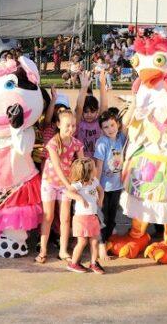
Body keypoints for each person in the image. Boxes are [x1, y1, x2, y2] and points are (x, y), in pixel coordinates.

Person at [36, 109, 84, 263]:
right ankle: (43, 250)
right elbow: (56, 166)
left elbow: (80, 164)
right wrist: (68, 185)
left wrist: (81, 182)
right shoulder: (53, 143)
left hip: (66, 185)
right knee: (48, 216)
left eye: (73, 126)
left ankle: (63, 250)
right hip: (50, 182)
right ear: (58, 124)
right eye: (67, 126)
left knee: (65, 219)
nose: (71, 129)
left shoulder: (77, 144)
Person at [93, 108, 127, 259]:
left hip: (117, 186)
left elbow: (127, 121)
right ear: (101, 129)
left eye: (112, 125)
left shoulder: (120, 138)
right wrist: (96, 187)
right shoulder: (102, 143)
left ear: (118, 125)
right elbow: (99, 166)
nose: (110, 129)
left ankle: (106, 241)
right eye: (106, 127)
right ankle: (100, 245)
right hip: (103, 187)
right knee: (102, 217)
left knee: (112, 217)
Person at [64, 157, 104, 274]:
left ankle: (94, 263)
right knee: (82, 242)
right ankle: (73, 263)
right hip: (81, 218)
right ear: (87, 171)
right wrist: (79, 197)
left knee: (94, 241)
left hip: (93, 216)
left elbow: (101, 190)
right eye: (93, 167)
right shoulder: (78, 184)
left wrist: (100, 200)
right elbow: (68, 192)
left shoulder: (94, 181)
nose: (96, 169)